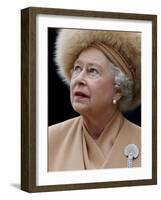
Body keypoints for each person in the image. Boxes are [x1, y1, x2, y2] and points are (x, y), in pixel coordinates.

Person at [48, 29, 141, 171]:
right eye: (77, 68)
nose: (79, 79)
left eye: (93, 71)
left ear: (118, 90)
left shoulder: (149, 143)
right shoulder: (49, 139)